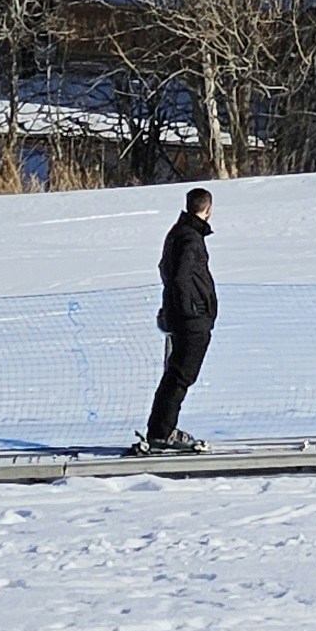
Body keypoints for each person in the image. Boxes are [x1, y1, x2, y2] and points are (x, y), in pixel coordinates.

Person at [139, 185, 217, 453]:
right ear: (208, 209)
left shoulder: (179, 233)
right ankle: (162, 431)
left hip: (184, 315)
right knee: (181, 376)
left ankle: (160, 428)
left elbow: (166, 270)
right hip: (191, 319)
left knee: (177, 375)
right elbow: (180, 276)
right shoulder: (189, 238)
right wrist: (191, 309)